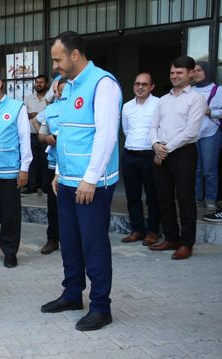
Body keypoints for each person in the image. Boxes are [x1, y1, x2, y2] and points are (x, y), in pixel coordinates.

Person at [40, 31, 122, 332]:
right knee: (71, 242)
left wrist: (89, 179)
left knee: (93, 244)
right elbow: (68, 134)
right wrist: (60, 172)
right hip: (68, 179)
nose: (55, 66)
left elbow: (106, 136)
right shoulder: (71, 86)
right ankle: (73, 294)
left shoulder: (103, 84)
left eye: (58, 59)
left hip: (92, 183)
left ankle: (101, 307)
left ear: (75, 55)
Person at [149, 56, 207, 260]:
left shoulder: (196, 98)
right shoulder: (163, 100)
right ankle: (171, 238)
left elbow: (191, 131)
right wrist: (156, 145)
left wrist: (165, 149)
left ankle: (186, 243)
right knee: (163, 197)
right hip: (160, 153)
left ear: (191, 74)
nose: (174, 76)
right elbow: (153, 126)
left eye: (179, 73)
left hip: (183, 153)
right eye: (172, 72)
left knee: (185, 199)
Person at [0, 70, 32, 268]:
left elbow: (24, 139)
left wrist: (24, 168)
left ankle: (10, 252)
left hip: (9, 172)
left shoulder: (17, 107)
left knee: (9, 215)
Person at [120, 72, 161, 246]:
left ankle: (152, 231)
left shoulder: (159, 103)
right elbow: (126, 130)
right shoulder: (127, 106)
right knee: (132, 195)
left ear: (151, 87)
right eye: (137, 83)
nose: (140, 87)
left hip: (149, 155)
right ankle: (137, 230)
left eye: (144, 84)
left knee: (153, 195)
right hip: (130, 154)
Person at [36, 78, 67, 254]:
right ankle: (53, 239)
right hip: (53, 163)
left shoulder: (78, 109)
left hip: (74, 165)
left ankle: (73, 241)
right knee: (53, 203)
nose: (59, 95)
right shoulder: (51, 109)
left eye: (63, 92)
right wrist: (47, 138)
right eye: (58, 92)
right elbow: (41, 133)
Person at [192, 61, 222, 211]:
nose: (195, 73)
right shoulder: (189, 91)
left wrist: (211, 112)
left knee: (209, 168)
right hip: (192, 135)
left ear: (208, 72)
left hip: (210, 133)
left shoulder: (218, 91)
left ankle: (210, 198)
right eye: (194, 70)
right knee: (195, 169)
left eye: (199, 70)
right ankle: (196, 198)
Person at [23, 74, 50, 194]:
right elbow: (23, 115)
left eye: (41, 82)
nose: (38, 84)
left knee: (45, 162)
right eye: (37, 82)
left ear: (47, 84)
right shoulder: (28, 98)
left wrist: (39, 116)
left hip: (45, 135)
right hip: (31, 135)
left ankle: (45, 187)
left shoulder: (50, 98)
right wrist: (31, 115)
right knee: (32, 162)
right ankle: (31, 187)